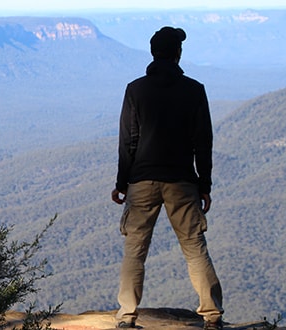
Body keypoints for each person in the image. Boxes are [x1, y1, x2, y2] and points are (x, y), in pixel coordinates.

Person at [111, 26, 224, 330]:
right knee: (194, 246)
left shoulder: (135, 90)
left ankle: (127, 316)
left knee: (135, 248)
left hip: (142, 180)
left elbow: (128, 141)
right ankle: (212, 316)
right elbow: (204, 141)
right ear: (178, 53)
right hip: (182, 181)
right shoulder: (194, 89)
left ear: (152, 52)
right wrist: (205, 184)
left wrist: (122, 183)